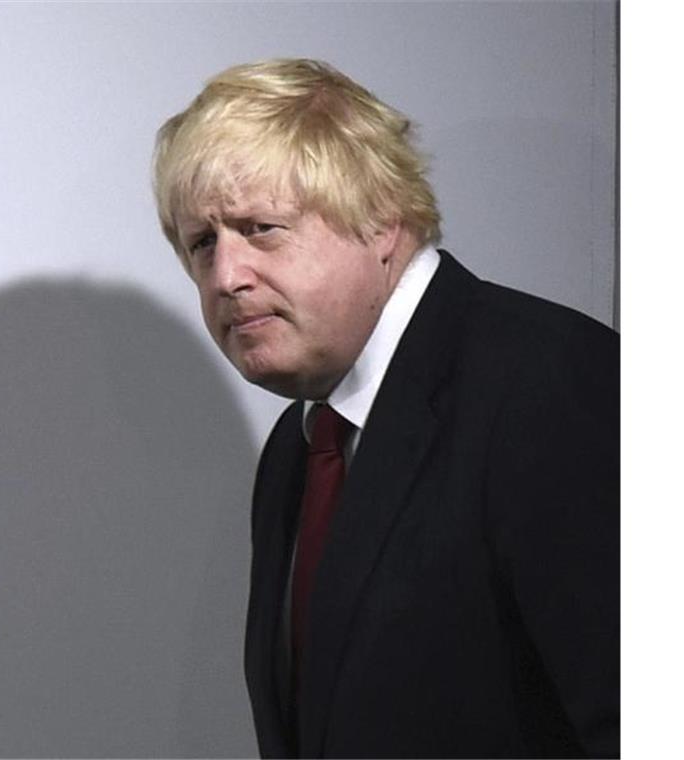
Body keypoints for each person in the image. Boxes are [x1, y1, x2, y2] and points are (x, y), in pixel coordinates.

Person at [151, 59, 618, 758]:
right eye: (202, 243)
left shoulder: (548, 380)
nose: (226, 276)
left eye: (261, 228)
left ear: (382, 221)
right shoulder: (302, 444)